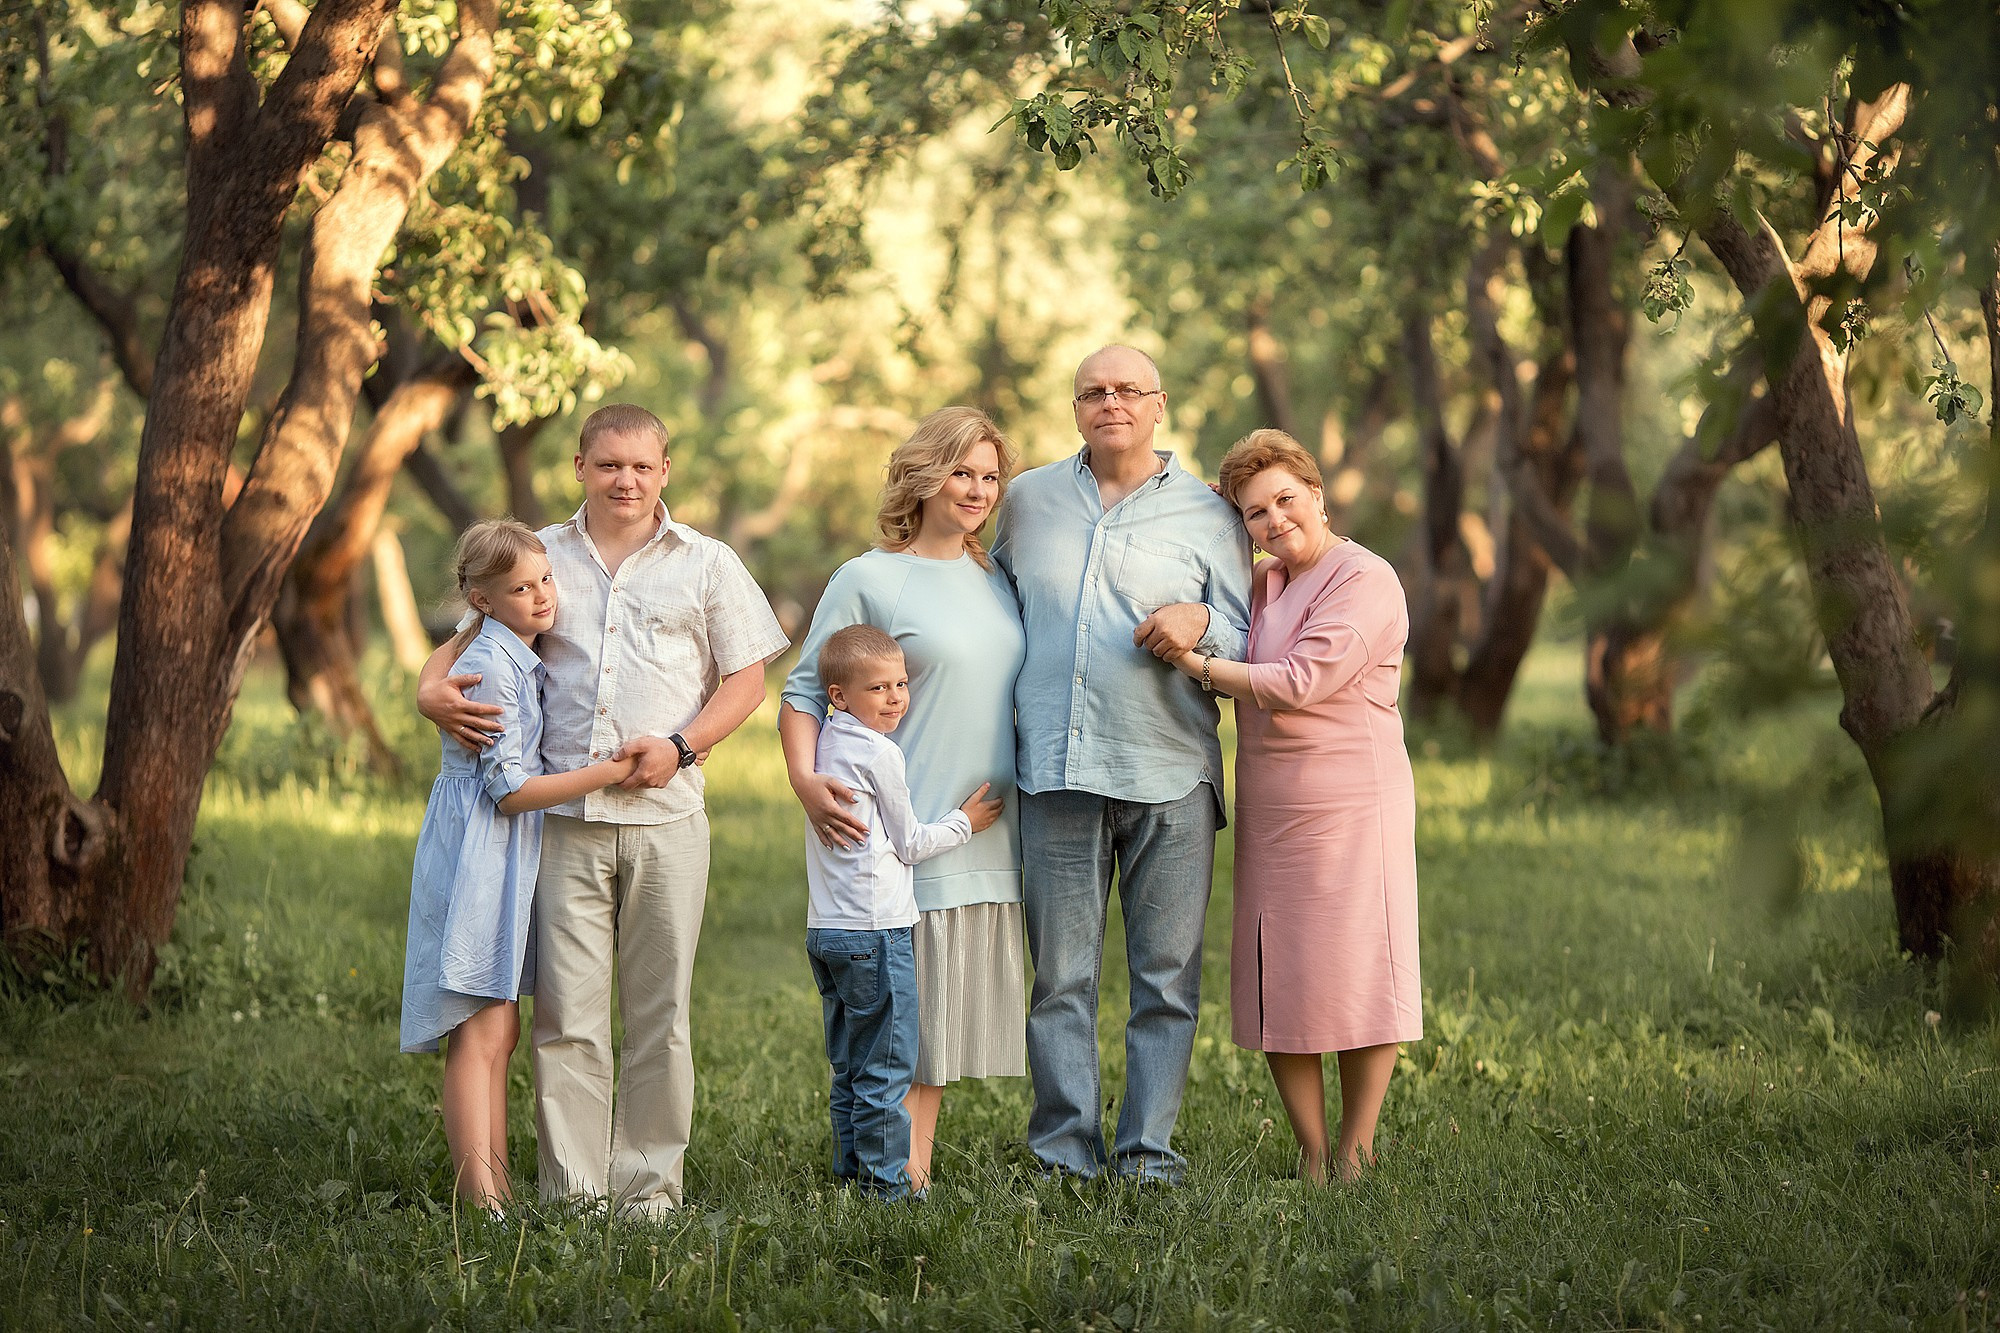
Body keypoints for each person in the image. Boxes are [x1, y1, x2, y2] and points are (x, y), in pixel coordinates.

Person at [416, 404, 789, 1217]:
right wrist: (425, 685)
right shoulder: (539, 556)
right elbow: (466, 634)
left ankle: (649, 1191)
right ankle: (577, 1192)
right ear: (580, 464)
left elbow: (748, 680)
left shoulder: (708, 563)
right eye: (610, 463)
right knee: (567, 1018)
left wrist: (684, 747)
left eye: (643, 466)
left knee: (661, 1014)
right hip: (562, 827)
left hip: (669, 820)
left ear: (666, 470)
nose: (627, 479)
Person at [990, 345, 1254, 1184]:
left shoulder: (1213, 515)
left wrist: (1201, 615)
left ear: (1159, 405)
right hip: (1055, 774)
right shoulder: (1026, 499)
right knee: (1059, 979)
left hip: (1170, 772)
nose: (1111, 402)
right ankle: (1065, 1156)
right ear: (1076, 410)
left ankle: (1148, 1155)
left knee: (1165, 980)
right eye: (1093, 392)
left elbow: (1251, 635)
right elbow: (993, 606)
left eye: (1127, 390)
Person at [1156, 429, 1421, 1182]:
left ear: (1317, 493)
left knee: (1359, 965)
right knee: (1280, 971)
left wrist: (1199, 664)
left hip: (1352, 803)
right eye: (1254, 512)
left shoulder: (1365, 578)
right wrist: (1214, 503)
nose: (1274, 520)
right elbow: (1221, 547)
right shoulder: (1264, 580)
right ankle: (1311, 1152)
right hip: (1272, 804)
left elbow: (1304, 680)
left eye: (1285, 500)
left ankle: (1357, 1147)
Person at [779, 406, 1027, 1191]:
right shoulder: (869, 577)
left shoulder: (997, 577)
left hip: (985, 825)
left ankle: (904, 1161)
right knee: (902, 1008)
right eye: (961, 471)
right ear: (923, 477)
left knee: (941, 1008)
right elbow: (801, 691)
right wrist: (803, 780)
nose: (978, 489)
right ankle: (900, 1173)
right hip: (902, 830)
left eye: (990, 476)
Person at [399, 519, 639, 1209]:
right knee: (480, 1027)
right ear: (481, 597)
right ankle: (482, 1200)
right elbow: (508, 793)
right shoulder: (495, 664)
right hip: (482, 848)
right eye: (519, 588)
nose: (541, 597)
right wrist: (606, 771)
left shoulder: (503, 646)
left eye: (544, 581)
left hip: (500, 850)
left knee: (498, 1026)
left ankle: (494, 1189)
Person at [802, 625, 1004, 1198]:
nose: (895, 699)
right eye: (878, 689)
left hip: (827, 929)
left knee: (849, 1066)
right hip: (875, 929)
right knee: (886, 1068)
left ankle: (851, 1177)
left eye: (901, 684)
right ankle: (886, 1193)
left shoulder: (825, 743)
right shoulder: (879, 751)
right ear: (840, 696)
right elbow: (910, 842)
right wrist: (966, 822)